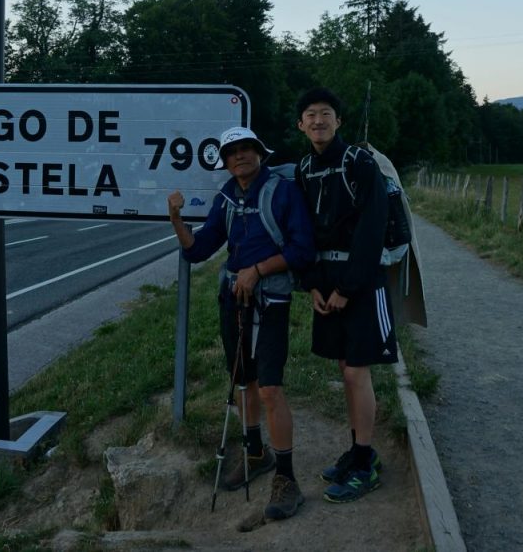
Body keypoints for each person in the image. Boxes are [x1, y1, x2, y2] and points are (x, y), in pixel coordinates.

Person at [167, 126, 314, 521]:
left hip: (271, 300)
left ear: (259, 153)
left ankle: (287, 478)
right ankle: (255, 453)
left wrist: (258, 270)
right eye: (232, 153)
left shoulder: (282, 192)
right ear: (226, 161)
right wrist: (176, 219)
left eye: (247, 149)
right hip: (233, 298)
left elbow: (303, 250)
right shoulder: (227, 196)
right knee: (242, 381)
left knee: (269, 389)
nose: (240, 157)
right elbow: (199, 250)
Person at [294, 87, 396, 503]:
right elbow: (303, 232)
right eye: (310, 115)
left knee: (357, 371)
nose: (318, 121)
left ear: (338, 121)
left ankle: (366, 460)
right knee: (344, 370)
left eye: (326, 114)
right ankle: (356, 451)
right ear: (300, 125)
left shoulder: (360, 163)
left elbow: (373, 229)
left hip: (361, 282)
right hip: (327, 282)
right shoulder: (303, 169)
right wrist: (315, 284)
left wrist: (346, 287)